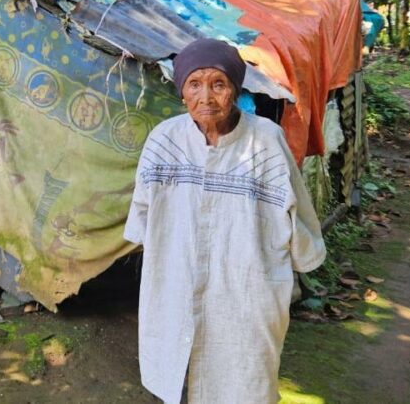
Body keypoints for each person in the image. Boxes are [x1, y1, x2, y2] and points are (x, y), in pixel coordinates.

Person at [124, 38, 326, 404]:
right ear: (182, 91)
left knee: (244, 379)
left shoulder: (266, 141)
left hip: (247, 291)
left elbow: (300, 225)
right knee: (175, 371)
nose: (206, 97)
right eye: (194, 84)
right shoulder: (163, 142)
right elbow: (141, 221)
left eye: (218, 84)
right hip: (175, 286)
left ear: (235, 89)